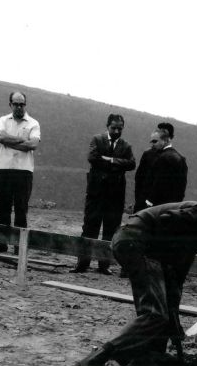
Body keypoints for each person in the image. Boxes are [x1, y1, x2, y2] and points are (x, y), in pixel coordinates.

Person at [71, 200, 197, 366]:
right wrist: (163, 259)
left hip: (131, 242)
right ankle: (94, 361)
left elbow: (176, 283)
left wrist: (174, 323)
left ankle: (142, 363)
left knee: (160, 313)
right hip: (137, 242)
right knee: (155, 314)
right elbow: (166, 220)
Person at [72, 114, 136, 274]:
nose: (116, 131)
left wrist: (111, 160)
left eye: (120, 128)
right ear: (107, 126)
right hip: (96, 193)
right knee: (89, 227)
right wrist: (117, 164)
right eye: (113, 128)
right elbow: (92, 158)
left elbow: (131, 164)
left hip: (115, 196)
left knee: (111, 230)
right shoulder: (97, 139)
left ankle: (104, 265)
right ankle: (82, 263)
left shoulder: (126, 146)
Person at [0, 90, 40, 253]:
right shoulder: (3, 120)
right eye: (16, 104)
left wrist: (9, 141)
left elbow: (32, 145)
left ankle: (19, 247)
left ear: (25, 105)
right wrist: (21, 140)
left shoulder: (33, 123)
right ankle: (1, 243)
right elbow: (0, 137)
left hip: (23, 171)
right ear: (10, 104)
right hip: (4, 168)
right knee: (3, 208)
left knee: (21, 209)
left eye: (22, 104)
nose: (19, 107)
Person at [143, 122, 188, 208]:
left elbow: (158, 183)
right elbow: (182, 187)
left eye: (155, 141)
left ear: (165, 140)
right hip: (173, 205)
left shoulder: (162, 158)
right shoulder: (181, 158)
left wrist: (150, 201)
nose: (152, 144)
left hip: (157, 205)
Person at [133, 130, 162, 212]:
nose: (152, 144)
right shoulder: (147, 153)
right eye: (152, 141)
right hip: (143, 196)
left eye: (155, 141)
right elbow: (139, 176)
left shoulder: (169, 157)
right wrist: (138, 197)